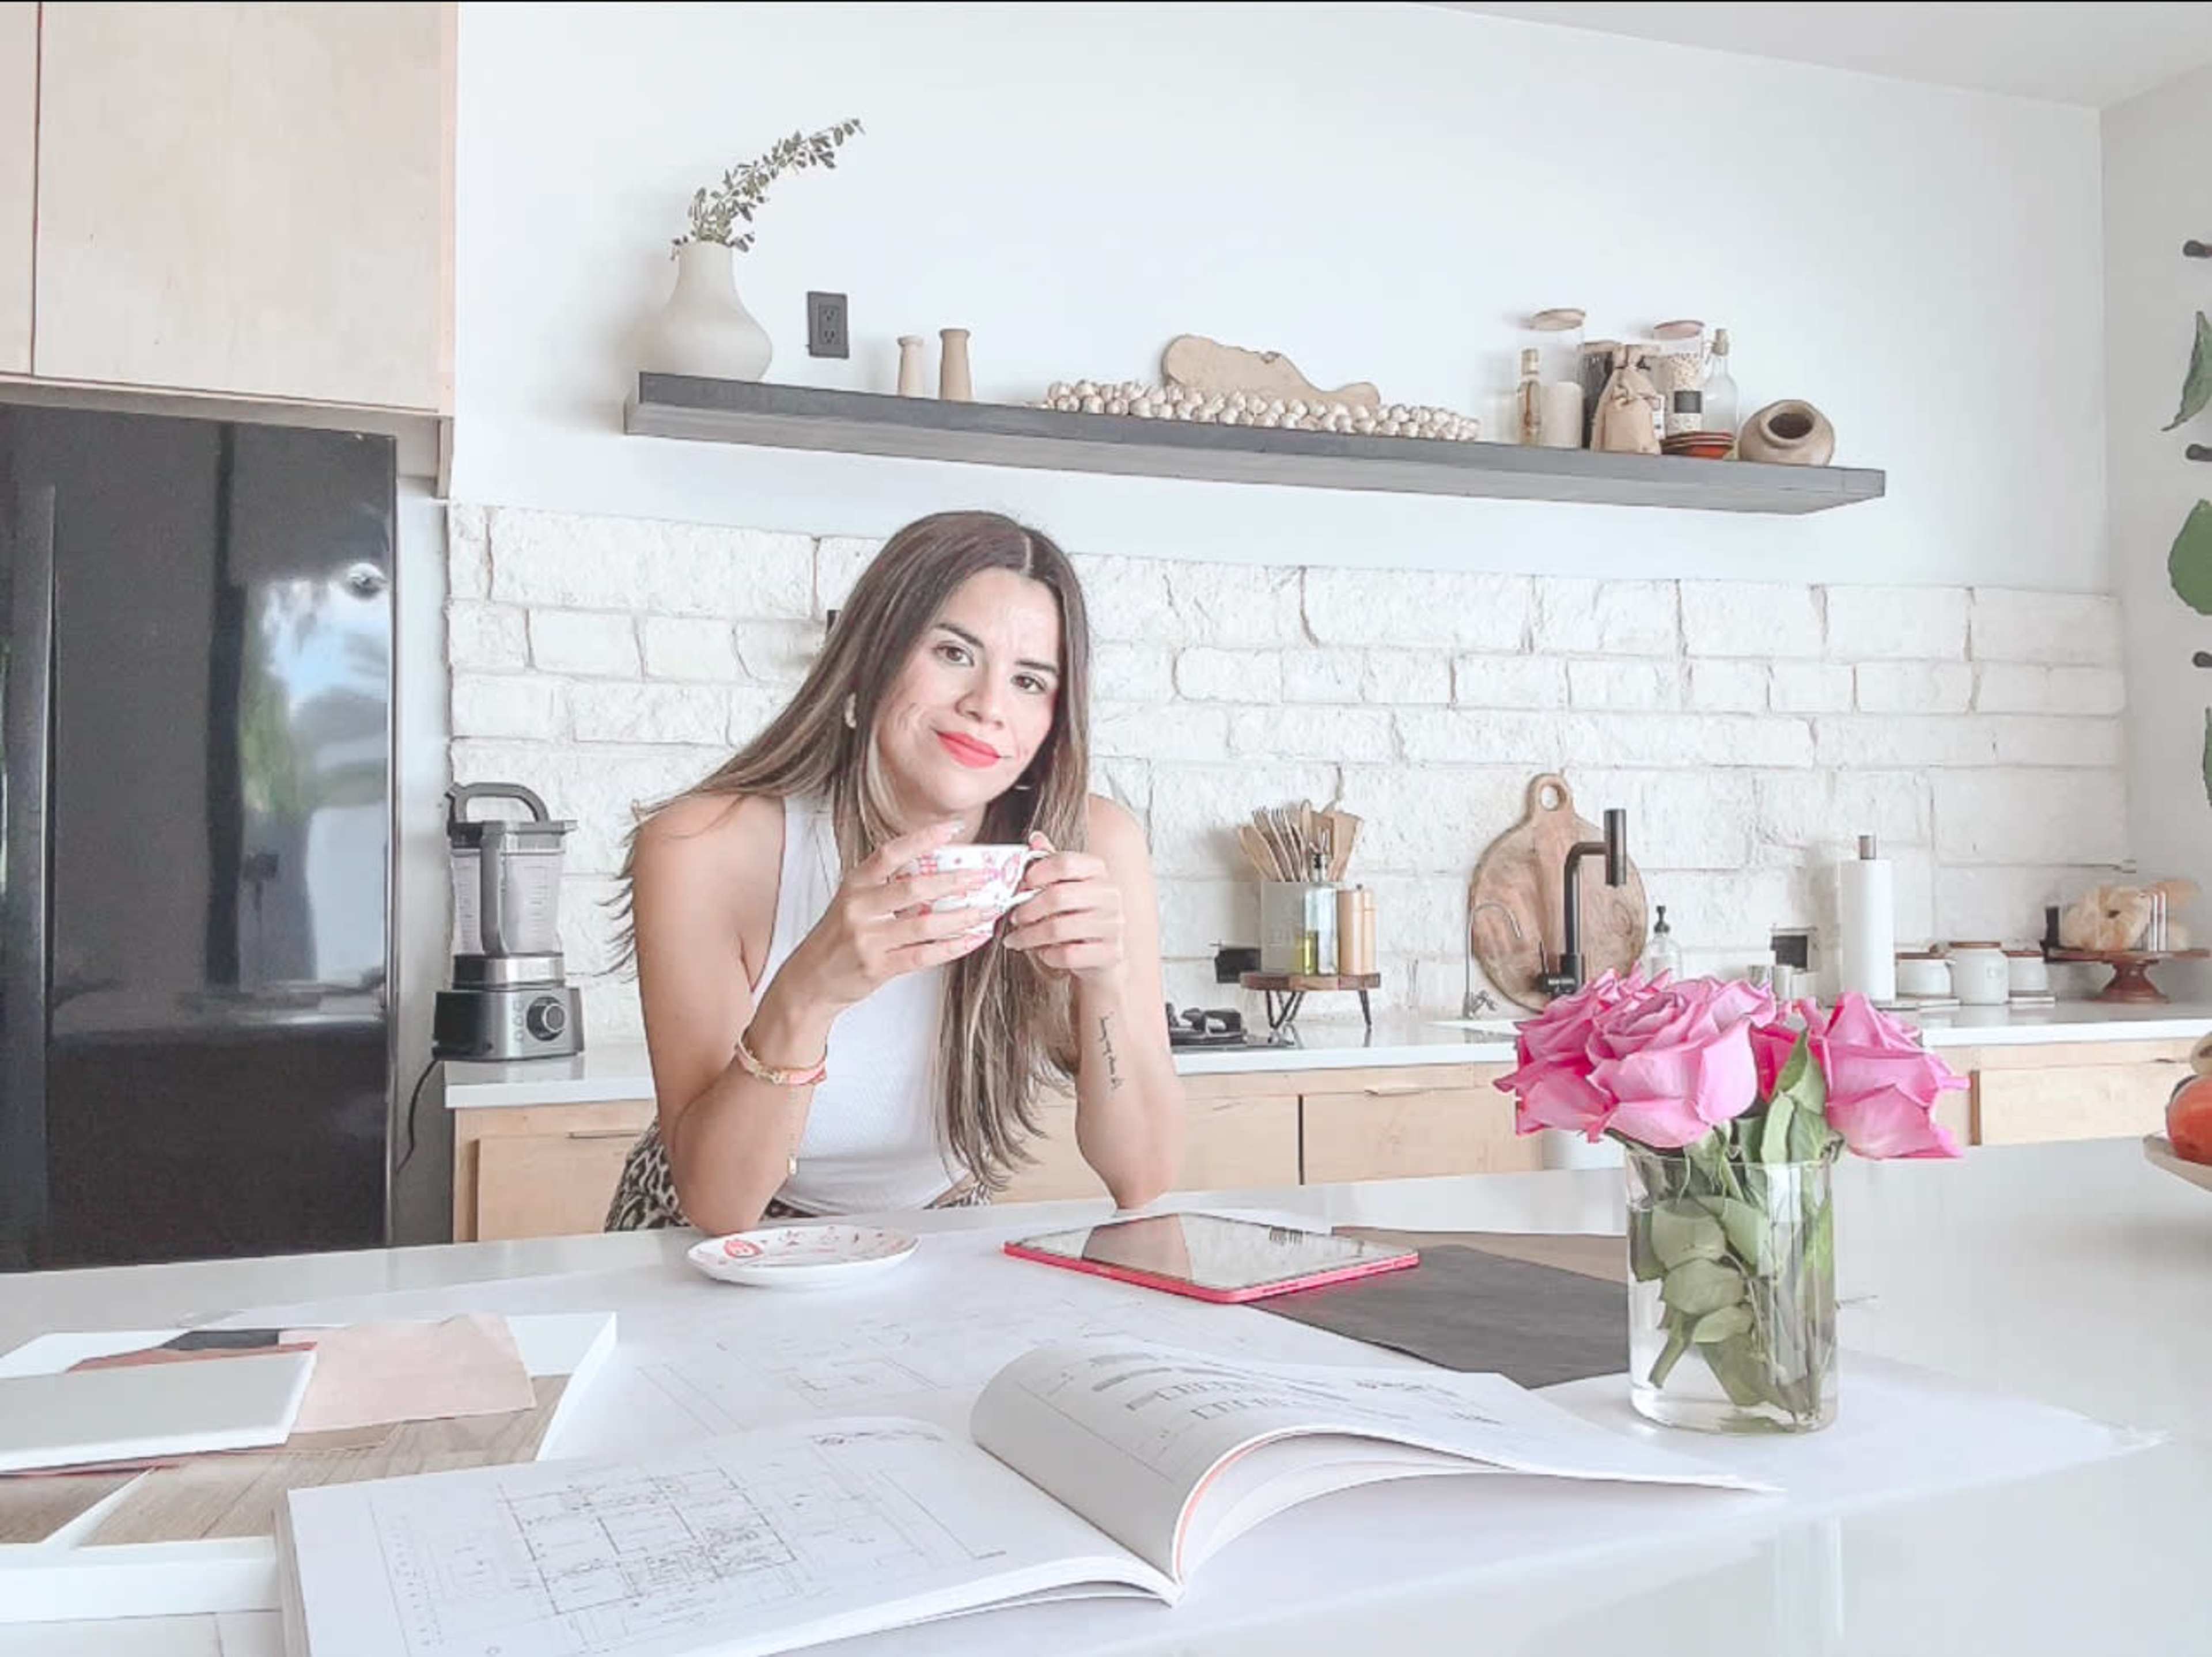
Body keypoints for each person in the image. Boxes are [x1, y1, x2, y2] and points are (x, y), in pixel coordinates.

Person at [604, 510, 1183, 1233]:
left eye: (1030, 681)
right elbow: (719, 1206)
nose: (987, 706)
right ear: (871, 658)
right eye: (952, 653)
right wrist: (808, 991)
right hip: (707, 1246)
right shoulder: (703, 846)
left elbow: (1145, 1177)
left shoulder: (1093, 845)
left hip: (932, 1242)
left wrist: (1104, 984)